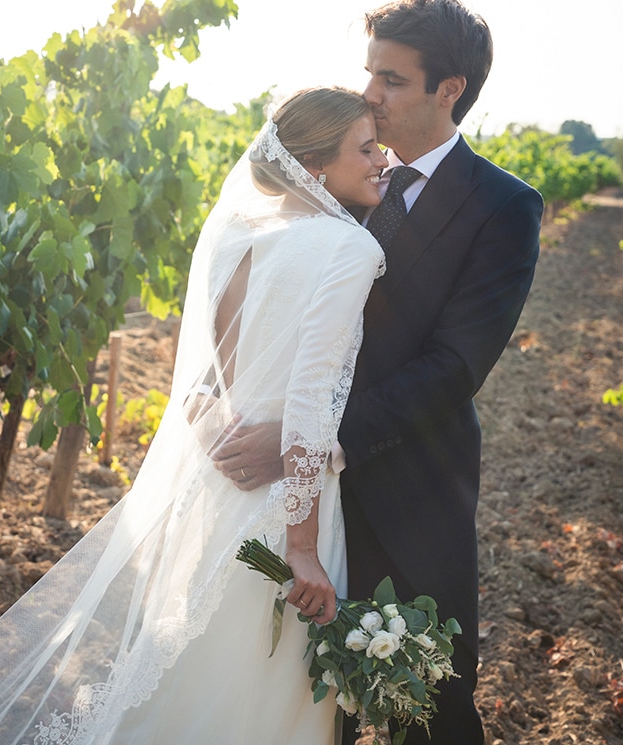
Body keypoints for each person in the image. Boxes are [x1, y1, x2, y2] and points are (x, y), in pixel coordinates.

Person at [0, 87, 387, 744]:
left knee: (193, 678)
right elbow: (311, 400)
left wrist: (215, 432)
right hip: (291, 506)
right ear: (315, 164)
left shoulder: (240, 237)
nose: (382, 160)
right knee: (256, 698)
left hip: (222, 491)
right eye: (366, 148)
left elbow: (208, 382)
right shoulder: (348, 250)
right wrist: (300, 549)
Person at [211, 2, 544, 743]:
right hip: (295, 502)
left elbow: (453, 366)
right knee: (296, 700)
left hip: (410, 494)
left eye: (389, 80)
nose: (368, 94)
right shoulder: (334, 172)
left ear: (448, 89)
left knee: (428, 708)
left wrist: (308, 443)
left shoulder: (503, 206)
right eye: (367, 73)